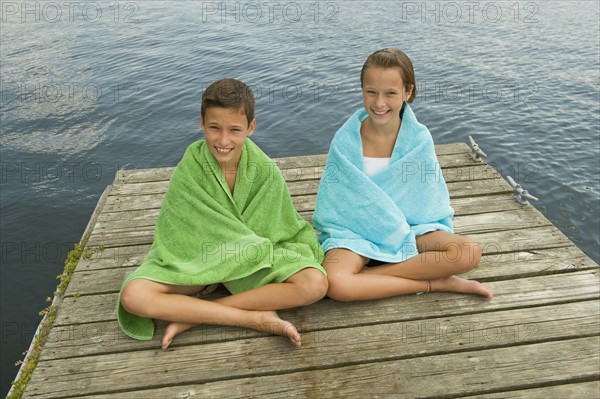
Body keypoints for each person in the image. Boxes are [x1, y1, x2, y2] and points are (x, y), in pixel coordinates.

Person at [117, 78, 328, 349]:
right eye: (214, 128)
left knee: (315, 284)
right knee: (133, 295)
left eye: (234, 130)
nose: (223, 140)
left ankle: (192, 316)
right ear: (202, 123)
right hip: (198, 261)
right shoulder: (191, 167)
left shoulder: (264, 170)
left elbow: (280, 228)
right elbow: (177, 230)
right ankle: (252, 318)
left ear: (251, 128)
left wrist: (241, 252)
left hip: (249, 261)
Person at [312, 48, 493, 301]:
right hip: (355, 233)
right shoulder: (345, 141)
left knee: (468, 252)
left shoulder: (418, 140)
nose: (379, 103)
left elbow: (428, 201)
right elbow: (335, 205)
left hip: (412, 229)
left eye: (390, 93)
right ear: (362, 89)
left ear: (408, 92)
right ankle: (435, 283)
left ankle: (368, 279)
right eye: (371, 92)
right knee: (336, 283)